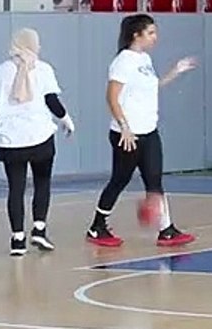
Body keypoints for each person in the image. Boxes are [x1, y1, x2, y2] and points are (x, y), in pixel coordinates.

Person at [85, 14, 198, 248]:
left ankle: (166, 229)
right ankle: (97, 226)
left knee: (154, 181)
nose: (155, 37)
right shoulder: (123, 61)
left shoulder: (144, 59)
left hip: (149, 130)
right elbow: (112, 97)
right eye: (151, 33)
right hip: (128, 135)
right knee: (119, 180)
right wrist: (124, 128)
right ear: (136, 35)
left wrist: (176, 70)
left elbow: (151, 87)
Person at [0, 28, 75, 256]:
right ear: (33, 45)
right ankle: (39, 229)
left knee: (16, 188)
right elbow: (52, 101)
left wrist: (5, 121)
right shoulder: (43, 69)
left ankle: (18, 239)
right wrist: (66, 120)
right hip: (40, 136)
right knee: (42, 182)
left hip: (11, 140)